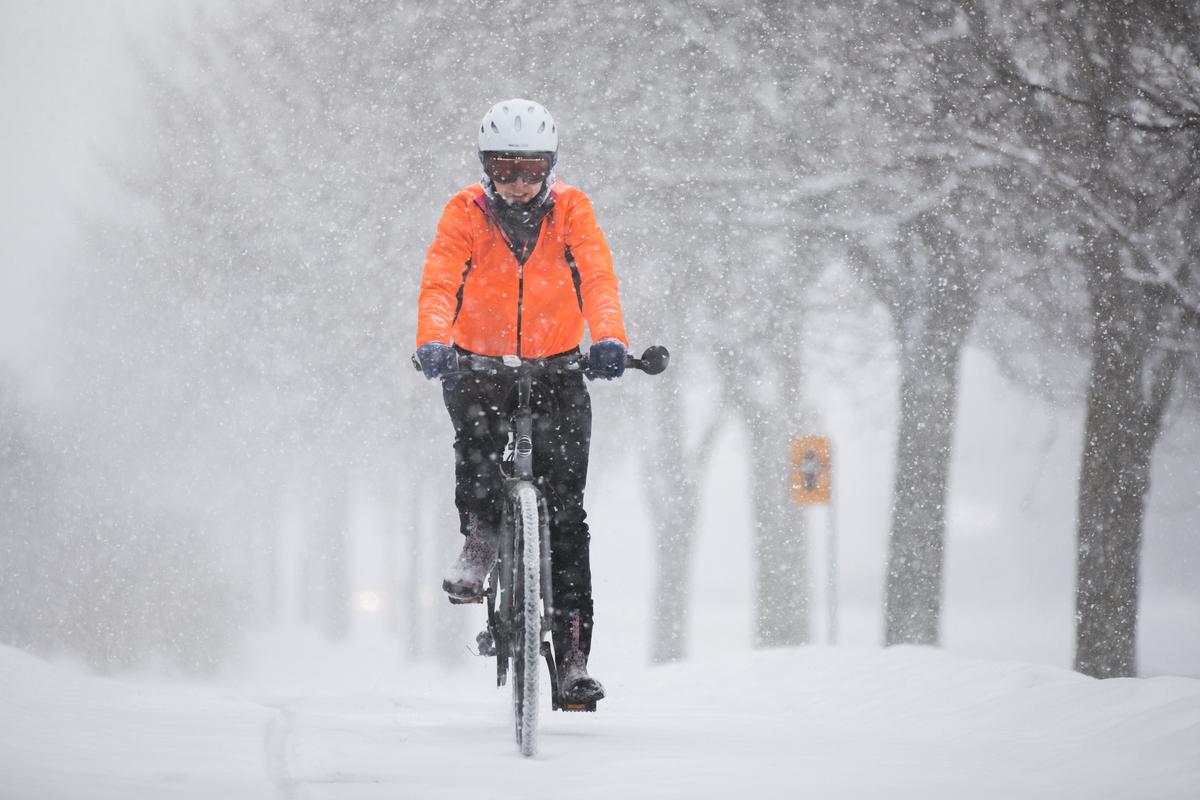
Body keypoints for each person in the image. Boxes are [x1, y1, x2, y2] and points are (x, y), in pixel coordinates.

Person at [414, 99, 629, 705]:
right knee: (477, 447)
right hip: (477, 365)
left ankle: (573, 659)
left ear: (550, 167)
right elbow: (439, 280)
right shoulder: (464, 213)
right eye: (504, 168)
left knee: (567, 517)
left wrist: (610, 339)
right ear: (486, 168)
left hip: (558, 369)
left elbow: (598, 275)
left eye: (529, 169)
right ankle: (481, 537)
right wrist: (433, 341)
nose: (517, 182)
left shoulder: (572, 211)